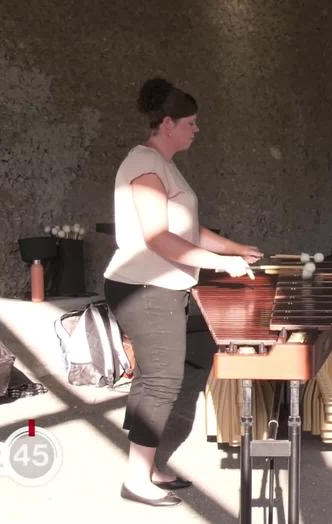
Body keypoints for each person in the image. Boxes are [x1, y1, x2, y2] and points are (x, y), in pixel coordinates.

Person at [103, 78, 263, 507]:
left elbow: (188, 229)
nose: (196, 130)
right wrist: (220, 264)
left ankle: (149, 465)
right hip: (143, 286)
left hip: (161, 284)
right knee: (163, 379)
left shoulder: (163, 165)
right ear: (168, 123)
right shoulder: (145, 166)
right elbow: (158, 237)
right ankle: (137, 479)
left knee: (158, 377)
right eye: (190, 123)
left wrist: (234, 249)